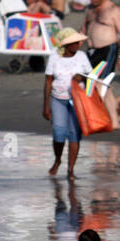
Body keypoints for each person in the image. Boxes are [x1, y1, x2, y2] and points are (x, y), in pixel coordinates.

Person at [42, 27, 92, 178]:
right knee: (58, 132)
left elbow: (91, 77)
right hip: (58, 99)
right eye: (74, 42)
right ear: (65, 45)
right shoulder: (54, 57)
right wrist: (45, 106)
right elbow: (48, 81)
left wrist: (82, 77)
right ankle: (58, 159)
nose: (78, 45)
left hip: (77, 101)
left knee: (74, 134)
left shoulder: (82, 56)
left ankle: (71, 170)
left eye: (78, 42)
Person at [83, 0, 120, 75]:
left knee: (102, 82)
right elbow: (83, 29)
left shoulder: (113, 9)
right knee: (88, 80)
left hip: (107, 50)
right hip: (91, 50)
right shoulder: (89, 9)